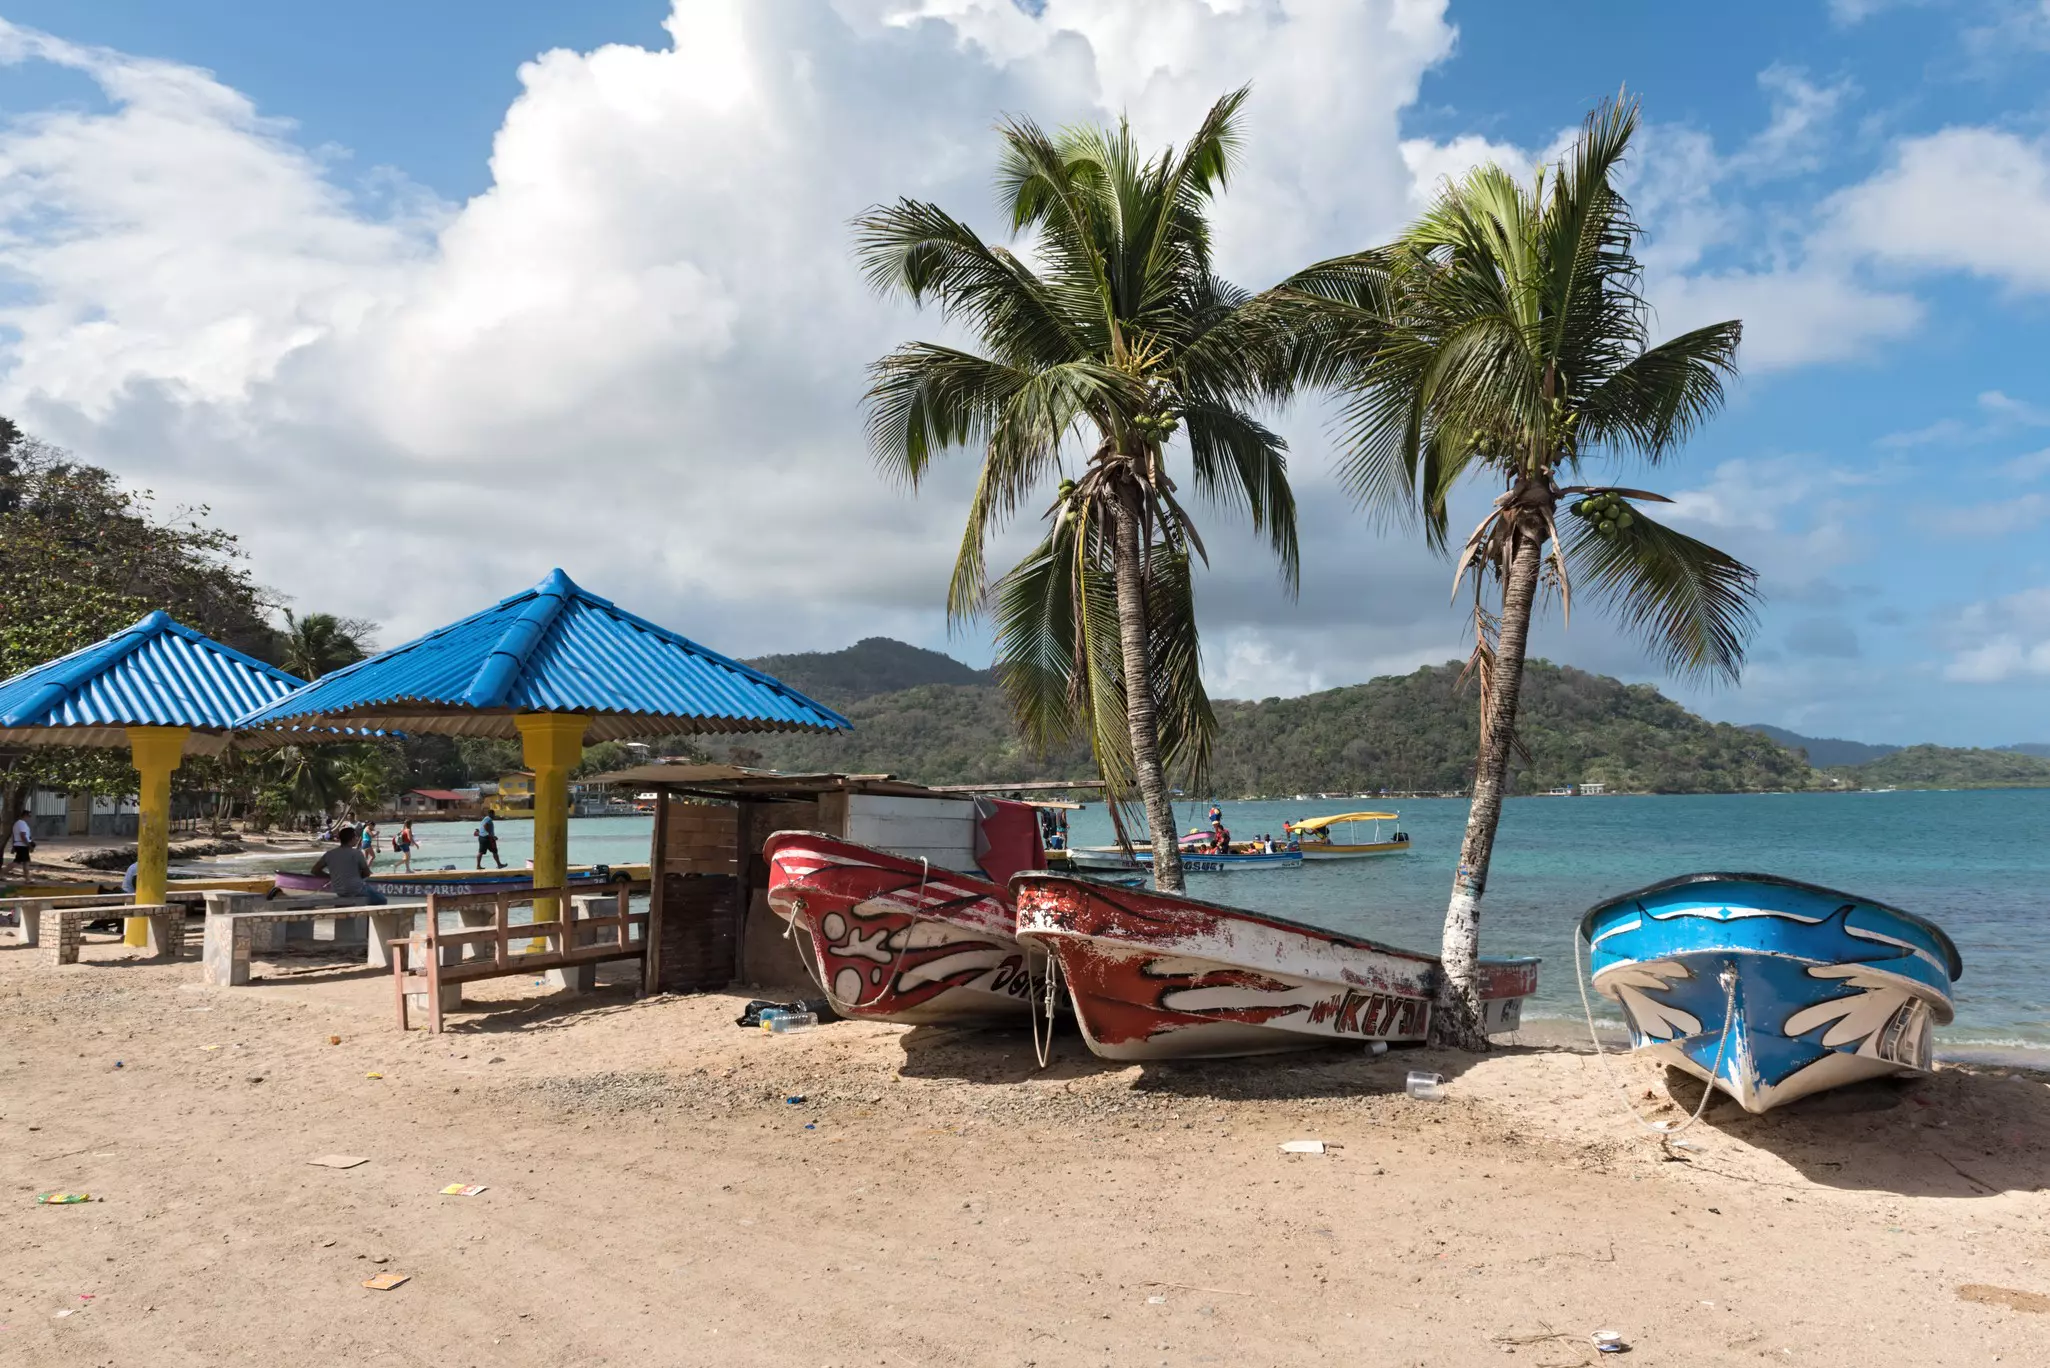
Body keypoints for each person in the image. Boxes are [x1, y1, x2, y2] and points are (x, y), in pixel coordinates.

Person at [311, 827, 385, 906]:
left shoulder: (329, 854)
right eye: (356, 837)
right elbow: (367, 873)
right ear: (352, 839)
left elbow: (315, 870)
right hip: (356, 890)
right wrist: (358, 876)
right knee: (382, 900)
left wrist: (331, 876)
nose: (357, 839)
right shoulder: (356, 853)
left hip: (339, 891)